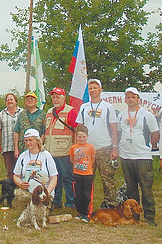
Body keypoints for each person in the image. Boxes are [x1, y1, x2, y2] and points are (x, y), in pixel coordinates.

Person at [117, 87, 159, 226]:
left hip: (142, 156)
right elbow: (118, 132)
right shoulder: (122, 115)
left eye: (133, 97)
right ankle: (134, 216)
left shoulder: (146, 115)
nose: (130, 99)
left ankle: (150, 216)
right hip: (126, 155)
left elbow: (155, 133)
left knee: (146, 187)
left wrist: (148, 146)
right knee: (131, 187)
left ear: (138, 99)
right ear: (125, 99)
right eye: (128, 97)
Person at [76, 79, 119, 208]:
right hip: (87, 149)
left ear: (101, 90)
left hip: (104, 147)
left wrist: (115, 147)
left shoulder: (108, 107)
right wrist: (77, 148)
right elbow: (79, 128)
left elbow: (113, 128)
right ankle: (86, 206)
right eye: (90, 88)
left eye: (95, 88)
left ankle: (111, 204)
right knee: (86, 179)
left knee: (107, 178)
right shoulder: (84, 107)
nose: (93, 90)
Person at [44, 87, 78, 209]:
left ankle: (70, 203)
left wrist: (74, 148)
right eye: (53, 97)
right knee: (54, 178)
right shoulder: (49, 112)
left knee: (67, 178)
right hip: (50, 152)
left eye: (58, 97)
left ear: (64, 98)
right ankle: (56, 201)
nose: (55, 99)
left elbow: (76, 130)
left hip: (64, 151)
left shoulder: (71, 111)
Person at [13, 129, 58, 198]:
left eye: (30, 140)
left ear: (37, 141)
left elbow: (54, 177)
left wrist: (47, 192)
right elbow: (16, 176)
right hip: (27, 192)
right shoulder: (23, 156)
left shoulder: (46, 156)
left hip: (43, 192)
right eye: (26, 140)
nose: (28, 143)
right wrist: (21, 184)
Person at [69, 125, 95, 222]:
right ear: (76, 137)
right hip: (77, 174)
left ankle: (87, 214)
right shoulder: (73, 147)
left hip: (87, 174)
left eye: (84, 137)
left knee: (87, 194)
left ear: (87, 136)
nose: (82, 139)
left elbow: (92, 159)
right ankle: (79, 212)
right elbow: (72, 159)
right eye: (79, 137)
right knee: (78, 194)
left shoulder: (90, 147)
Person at [0, 93, 23, 179]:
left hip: (20, 146)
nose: (9, 101)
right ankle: (10, 191)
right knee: (10, 170)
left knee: (21, 170)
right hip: (7, 146)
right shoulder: (2, 114)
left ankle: (21, 189)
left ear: (16, 102)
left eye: (11, 100)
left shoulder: (22, 112)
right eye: (8, 100)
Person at [13, 91, 46, 157]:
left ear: (36, 101)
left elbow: (43, 133)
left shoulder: (43, 114)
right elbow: (16, 132)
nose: (30, 100)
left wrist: (40, 147)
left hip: (37, 150)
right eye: (27, 99)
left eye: (32, 99)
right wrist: (16, 149)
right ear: (25, 102)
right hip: (23, 149)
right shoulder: (22, 114)